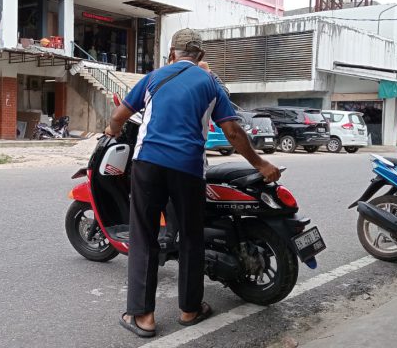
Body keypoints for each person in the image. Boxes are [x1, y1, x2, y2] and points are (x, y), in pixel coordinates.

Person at [105, 28, 281, 338]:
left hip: (148, 164)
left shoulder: (154, 77)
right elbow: (233, 132)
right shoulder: (211, 83)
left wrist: (112, 130)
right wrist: (261, 163)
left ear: (172, 52)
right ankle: (190, 309)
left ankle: (143, 317)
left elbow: (120, 115)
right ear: (200, 56)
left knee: (144, 236)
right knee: (190, 237)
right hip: (188, 168)